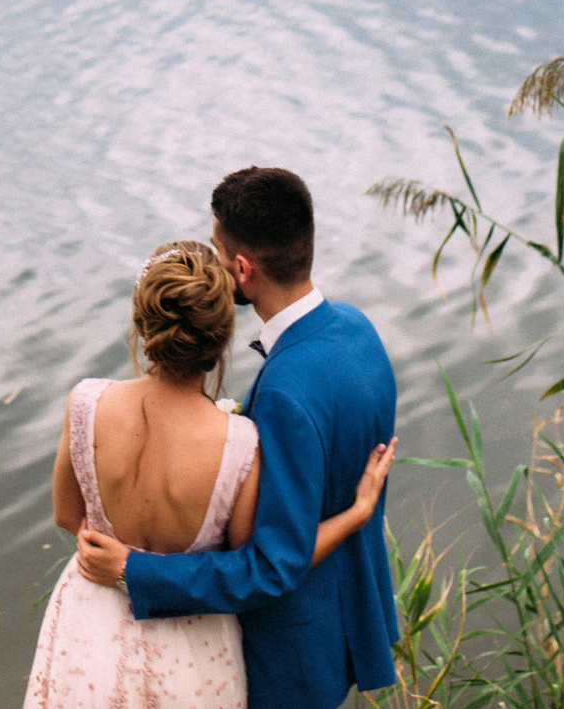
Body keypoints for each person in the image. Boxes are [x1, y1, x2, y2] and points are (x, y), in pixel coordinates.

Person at [74, 168, 401, 709]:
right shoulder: (357, 330)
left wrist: (135, 570)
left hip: (289, 658)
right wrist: (354, 515)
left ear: (243, 268)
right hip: (348, 621)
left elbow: (273, 565)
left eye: (219, 250)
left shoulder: (284, 395)